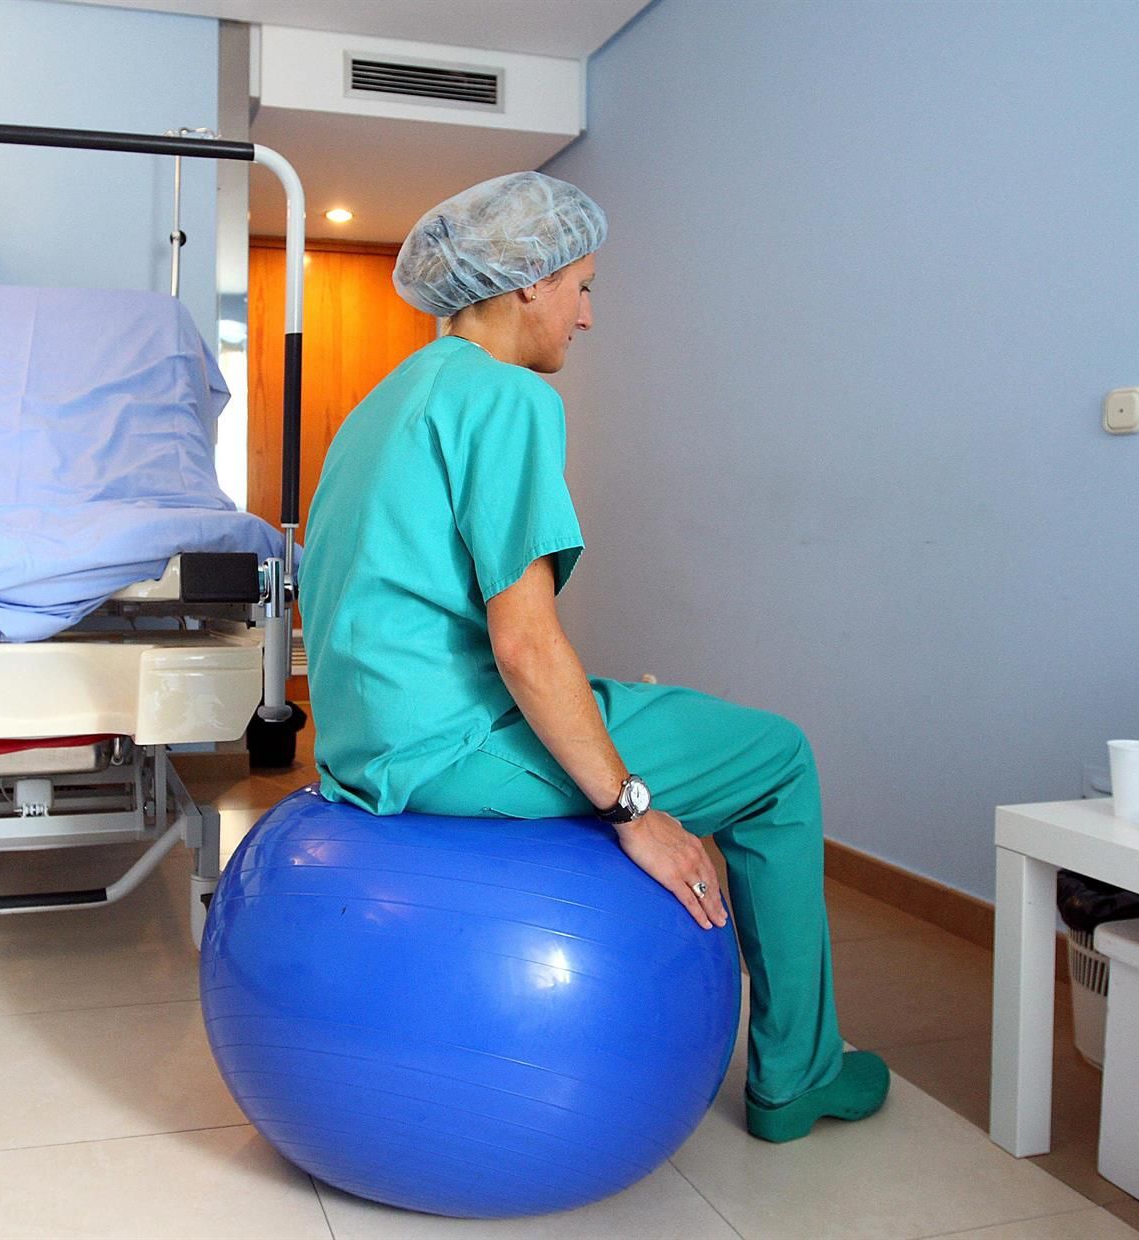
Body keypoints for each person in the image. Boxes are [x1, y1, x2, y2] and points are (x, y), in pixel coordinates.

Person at [296, 171, 889, 1143]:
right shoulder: (508, 399)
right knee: (778, 757)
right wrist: (633, 807)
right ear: (524, 281)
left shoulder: (386, 401)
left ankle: (800, 1056)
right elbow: (524, 642)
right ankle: (800, 1073)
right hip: (452, 746)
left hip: (367, 748)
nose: (587, 316)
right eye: (582, 284)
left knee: (637, 698)